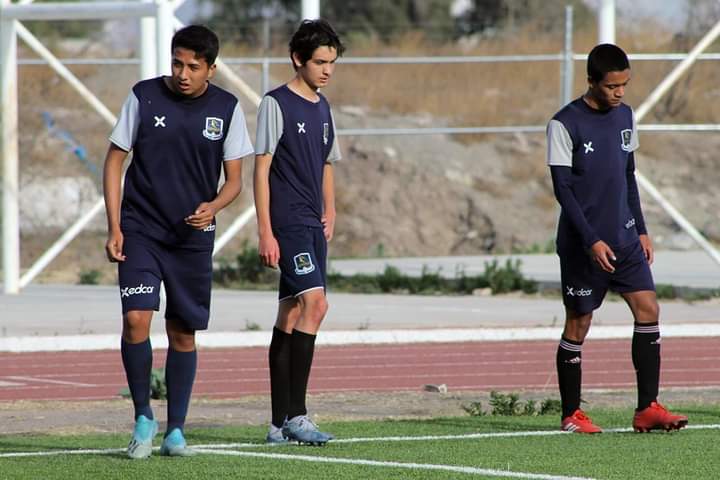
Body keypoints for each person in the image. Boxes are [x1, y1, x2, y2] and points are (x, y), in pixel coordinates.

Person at [103, 25, 253, 458]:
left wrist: (214, 206)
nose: (183, 74)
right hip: (141, 228)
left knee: (182, 332)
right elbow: (115, 162)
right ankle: (143, 418)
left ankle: (177, 430)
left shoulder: (227, 108)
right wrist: (115, 226)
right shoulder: (144, 97)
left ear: (211, 68)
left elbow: (235, 181)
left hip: (191, 237)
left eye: (193, 66)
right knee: (136, 319)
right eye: (177, 63)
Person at [546, 44, 688, 434]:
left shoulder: (626, 116)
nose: (620, 93)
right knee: (579, 324)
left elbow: (628, 175)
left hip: (625, 240)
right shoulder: (563, 124)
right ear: (592, 82)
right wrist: (591, 240)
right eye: (612, 86)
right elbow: (563, 189)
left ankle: (648, 409)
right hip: (582, 245)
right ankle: (571, 414)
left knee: (649, 310)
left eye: (625, 85)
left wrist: (640, 228)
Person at [253, 19, 345, 445]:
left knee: (290, 314)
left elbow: (326, 162)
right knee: (316, 304)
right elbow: (262, 167)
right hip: (287, 223)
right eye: (320, 62)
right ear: (298, 59)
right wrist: (265, 231)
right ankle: (297, 415)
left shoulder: (323, 106)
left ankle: (276, 424)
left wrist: (331, 208)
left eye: (332, 62)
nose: (327, 69)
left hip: (313, 223)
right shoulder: (275, 104)